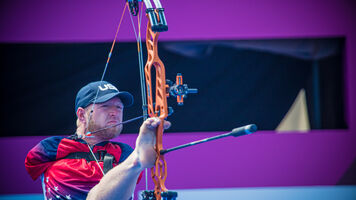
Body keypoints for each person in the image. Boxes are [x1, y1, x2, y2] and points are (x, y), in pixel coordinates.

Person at [25, 81, 170, 200]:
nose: (115, 112)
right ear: (82, 115)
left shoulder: (123, 152)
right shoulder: (51, 147)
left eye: (119, 107)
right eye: (105, 106)